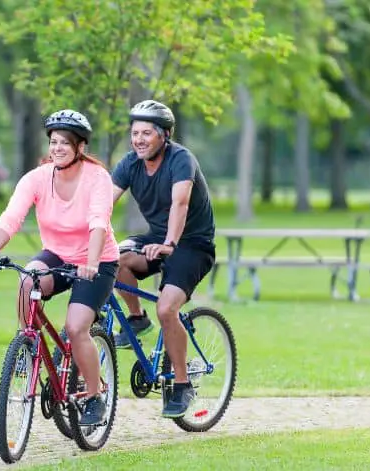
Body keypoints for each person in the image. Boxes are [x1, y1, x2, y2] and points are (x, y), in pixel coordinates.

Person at [0, 109, 119, 426]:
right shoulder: (37, 178)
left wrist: (92, 263)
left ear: (80, 147)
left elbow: (98, 223)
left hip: (97, 260)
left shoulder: (98, 179)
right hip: (56, 253)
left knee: (77, 326)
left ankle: (94, 396)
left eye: (65, 143)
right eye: (53, 142)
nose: (57, 148)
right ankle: (28, 344)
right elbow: (11, 218)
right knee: (28, 280)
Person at [111, 99, 216, 418]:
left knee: (167, 308)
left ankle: (182, 386)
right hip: (156, 237)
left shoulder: (181, 160)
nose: (138, 140)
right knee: (115, 260)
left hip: (192, 243)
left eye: (146, 133)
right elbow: (103, 203)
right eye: (134, 133)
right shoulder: (129, 164)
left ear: (164, 135)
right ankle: (136, 319)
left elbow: (180, 204)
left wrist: (170, 242)